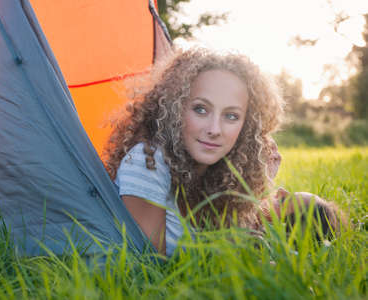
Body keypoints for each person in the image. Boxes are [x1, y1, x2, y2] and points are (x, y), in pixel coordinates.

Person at [103, 48, 284, 256]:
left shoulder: (220, 175)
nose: (214, 129)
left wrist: (256, 191)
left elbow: (226, 254)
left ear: (246, 126)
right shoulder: (147, 162)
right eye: (200, 109)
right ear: (175, 109)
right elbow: (150, 268)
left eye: (231, 116)